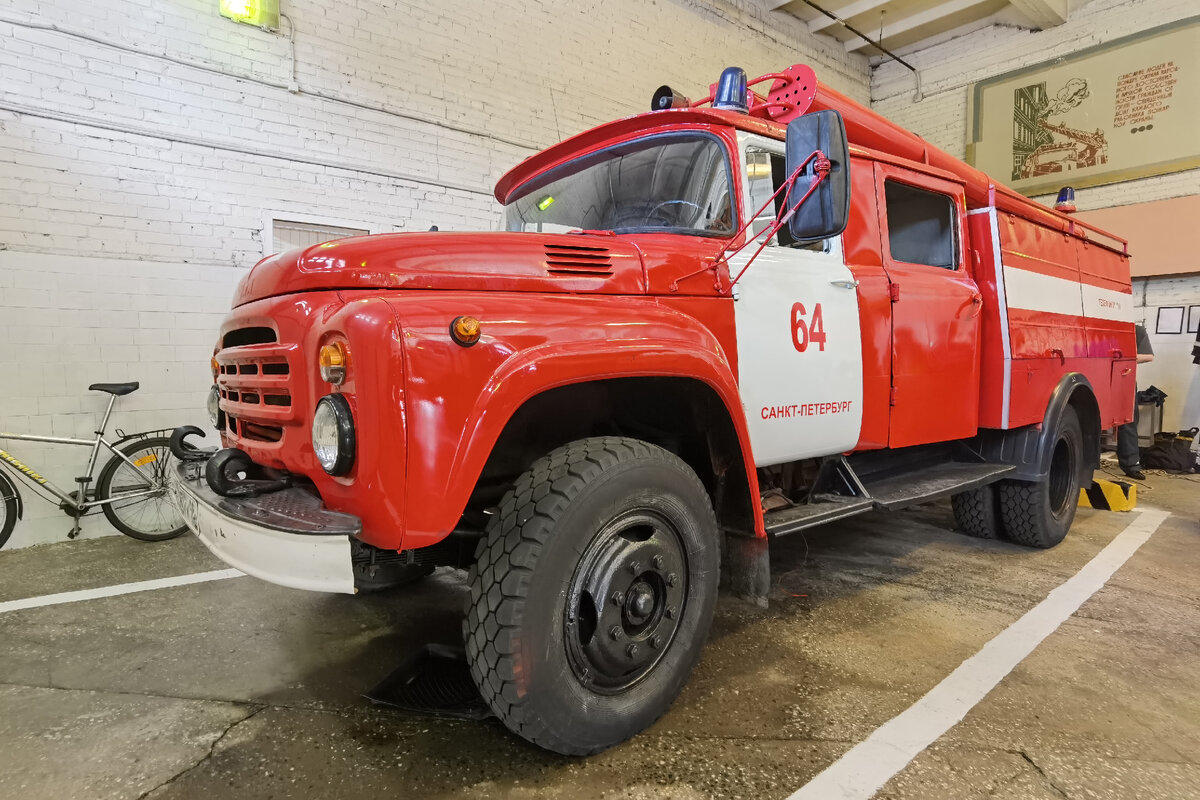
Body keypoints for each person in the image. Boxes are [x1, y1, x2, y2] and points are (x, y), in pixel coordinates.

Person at [1117, 323, 1155, 479]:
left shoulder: (1135, 329)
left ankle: (1131, 464)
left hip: (1124, 378)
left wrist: (1124, 357)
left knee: (1128, 421)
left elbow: (1149, 355)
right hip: (1099, 377)